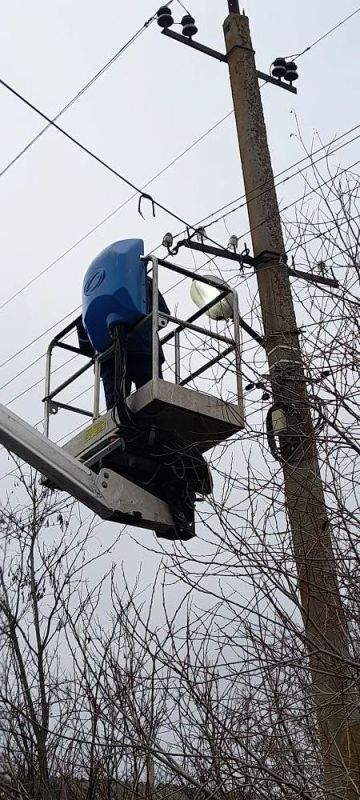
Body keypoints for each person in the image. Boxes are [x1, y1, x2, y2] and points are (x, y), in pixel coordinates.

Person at [77, 276, 170, 410]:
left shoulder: (95, 290)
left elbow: (85, 341)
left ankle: (125, 424)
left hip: (110, 357)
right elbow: (163, 313)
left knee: (117, 411)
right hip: (145, 350)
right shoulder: (142, 279)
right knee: (153, 406)